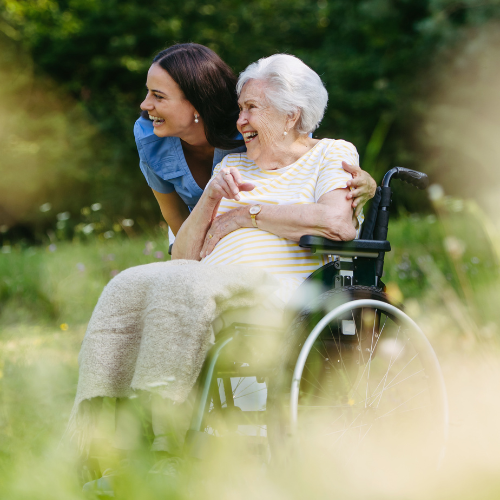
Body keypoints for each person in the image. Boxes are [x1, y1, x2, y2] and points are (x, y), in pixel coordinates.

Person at [78, 52, 367, 494]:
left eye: (251, 107)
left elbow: (337, 221)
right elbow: (184, 258)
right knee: (127, 284)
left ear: (291, 115)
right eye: (240, 107)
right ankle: (100, 439)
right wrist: (213, 198)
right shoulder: (232, 165)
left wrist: (249, 214)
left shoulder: (330, 154)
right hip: (208, 282)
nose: (240, 119)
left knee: (185, 288)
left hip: (277, 290)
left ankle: (165, 449)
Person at [135, 43, 376, 244]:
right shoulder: (149, 136)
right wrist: (196, 258)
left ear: (197, 103)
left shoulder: (248, 127)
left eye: (158, 96)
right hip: (196, 229)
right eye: (148, 93)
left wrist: (365, 184)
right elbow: (175, 214)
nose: (144, 105)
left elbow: (302, 147)